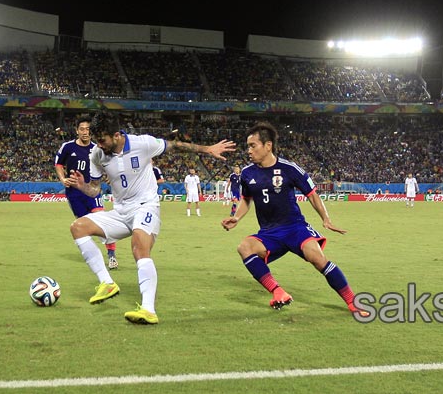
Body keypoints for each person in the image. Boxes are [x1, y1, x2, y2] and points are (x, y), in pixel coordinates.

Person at [68, 112, 235, 325]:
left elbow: (175, 145)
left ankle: (148, 309)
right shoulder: (97, 154)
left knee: (139, 247)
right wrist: (82, 186)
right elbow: (94, 191)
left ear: (117, 135)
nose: (98, 145)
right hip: (120, 212)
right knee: (78, 227)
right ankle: (107, 283)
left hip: (146, 206)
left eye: (102, 140)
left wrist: (207, 149)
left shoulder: (143, 143)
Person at [220, 122, 362, 317]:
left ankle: (352, 302)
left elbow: (312, 194)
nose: (249, 151)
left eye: (253, 145)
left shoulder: (290, 168)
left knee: (318, 258)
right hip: (269, 233)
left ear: (268, 145)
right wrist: (236, 217)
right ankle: (278, 291)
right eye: (248, 146)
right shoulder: (247, 173)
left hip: (295, 228)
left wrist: (325, 219)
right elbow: (247, 198)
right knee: (244, 247)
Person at [55, 116, 118, 269]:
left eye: (88, 129)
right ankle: (94, 258)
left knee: (102, 219)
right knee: (84, 226)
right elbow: (58, 164)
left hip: (93, 190)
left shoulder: (98, 148)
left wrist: (110, 176)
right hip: (74, 193)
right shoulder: (68, 147)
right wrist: (63, 179)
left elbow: (108, 164)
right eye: (82, 129)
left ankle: (112, 257)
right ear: (77, 131)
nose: (85, 132)